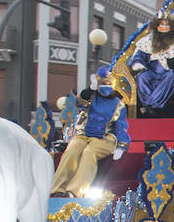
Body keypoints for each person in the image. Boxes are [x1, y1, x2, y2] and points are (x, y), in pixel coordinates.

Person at [51, 67, 128, 197]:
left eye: (109, 84)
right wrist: (90, 89)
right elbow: (79, 102)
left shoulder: (118, 104)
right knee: (72, 150)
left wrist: (121, 146)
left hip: (105, 138)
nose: (106, 86)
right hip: (83, 135)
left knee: (89, 153)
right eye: (103, 84)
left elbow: (121, 126)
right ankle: (57, 189)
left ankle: (75, 191)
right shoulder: (91, 97)